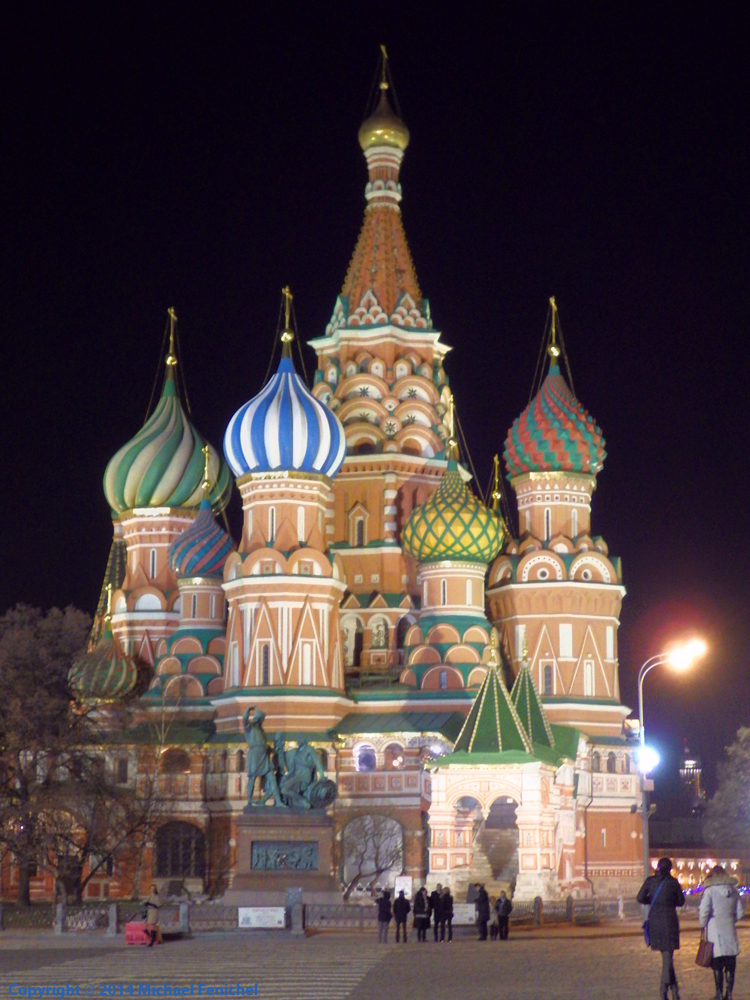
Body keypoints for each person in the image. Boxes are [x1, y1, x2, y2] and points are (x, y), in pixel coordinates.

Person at [636, 857, 685, 1000]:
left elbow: (639, 898)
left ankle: (675, 992)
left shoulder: (650, 881)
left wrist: (651, 900)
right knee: (667, 959)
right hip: (669, 922)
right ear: (669, 868)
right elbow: (681, 901)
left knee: (667, 958)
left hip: (655, 924)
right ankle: (663, 991)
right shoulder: (673, 883)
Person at [699, 864, 745, 1000]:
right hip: (730, 929)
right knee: (731, 964)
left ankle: (719, 994)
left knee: (717, 964)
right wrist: (731, 919)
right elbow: (740, 912)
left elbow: (704, 912)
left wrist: (703, 923)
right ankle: (729, 994)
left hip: (714, 930)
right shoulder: (734, 890)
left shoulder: (709, 891)